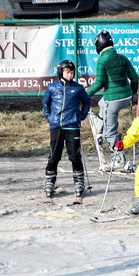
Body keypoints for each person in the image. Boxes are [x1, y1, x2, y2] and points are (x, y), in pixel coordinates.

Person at [86, 30, 139, 171]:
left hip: (113, 100)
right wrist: (132, 92)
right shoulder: (122, 58)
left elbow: (99, 83)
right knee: (102, 103)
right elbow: (134, 78)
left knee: (110, 133)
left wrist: (85, 93)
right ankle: (101, 120)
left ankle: (119, 160)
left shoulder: (102, 60)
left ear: (99, 46)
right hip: (127, 97)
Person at [42, 59, 91, 202]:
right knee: (54, 156)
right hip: (56, 126)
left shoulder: (78, 88)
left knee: (75, 156)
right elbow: (46, 104)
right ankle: (50, 184)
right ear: (60, 72)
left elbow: (87, 101)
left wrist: (82, 115)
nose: (70, 75)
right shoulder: (52, 88)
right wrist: (50, 118)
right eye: (67, 72)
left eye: (72, 72)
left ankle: (79, 185)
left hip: (72, 126)